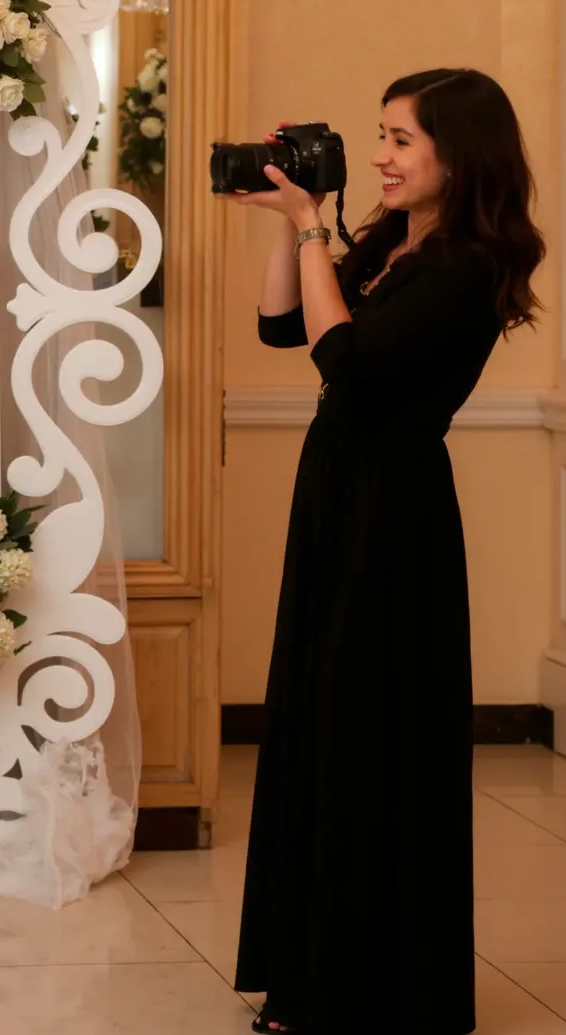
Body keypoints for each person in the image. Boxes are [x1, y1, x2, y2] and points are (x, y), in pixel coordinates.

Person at [222, 68, 544, 1035]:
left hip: (393, 509)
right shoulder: (397, 243)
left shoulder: (471, 264)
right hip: (338, 495)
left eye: (400, 140)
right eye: (378, 137)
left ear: (460, 152)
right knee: (323, 725)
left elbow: (349, 362)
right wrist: (293, 220)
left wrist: (317, 227)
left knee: (371, 738)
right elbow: (284, 326)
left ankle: (373, 989)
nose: (380, 157)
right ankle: (312, 975)